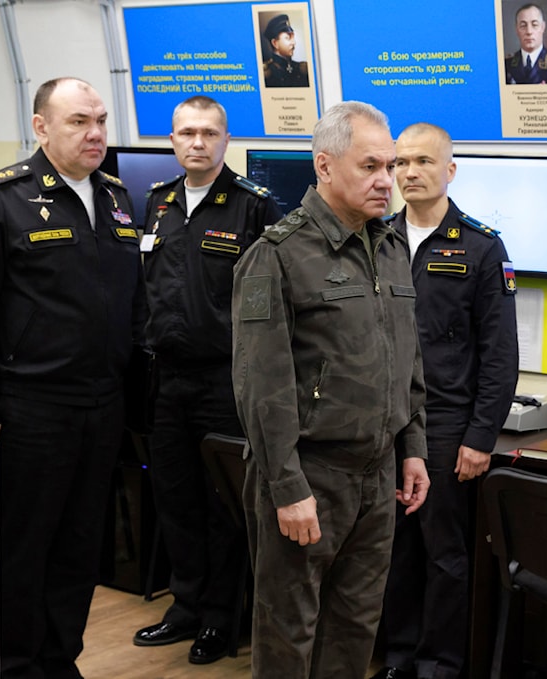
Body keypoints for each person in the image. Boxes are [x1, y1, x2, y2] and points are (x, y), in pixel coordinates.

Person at [0, 77, 146, 679]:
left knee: (80, 547)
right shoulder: (1, 197)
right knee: (24, 551)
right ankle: (18, 665)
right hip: (31, 408)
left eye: (101, 121)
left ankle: (59, 660)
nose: (96, 134)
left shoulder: (114, 197)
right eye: (80, 121)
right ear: (41, 127)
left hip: (101, 406)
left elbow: (130, 303)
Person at [232, 100, 430, 678]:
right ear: (323, 165)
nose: (386, 181)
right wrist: (287, 486)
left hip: (378, 472)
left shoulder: (391, 248)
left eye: (390, 167)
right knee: (288, 633)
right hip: (308, 475)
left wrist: (412, 446)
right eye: (371, 166)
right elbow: (258, 385)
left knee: (354, 628)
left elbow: (406, 360)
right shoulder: (276, 256)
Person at [131, 96, 282, 664]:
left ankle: (224, 619)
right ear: (172, 140)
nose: (197, 142)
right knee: (175, 498)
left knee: (225, 507)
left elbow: (273, 304)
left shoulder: (254, 208)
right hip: (166, 379)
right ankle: (186, 606)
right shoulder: (156, 204)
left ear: (226, 140)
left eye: (209, 133)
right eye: (186, 133)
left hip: (226, 382)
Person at [370, 124, 518, 679]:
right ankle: (399, 659)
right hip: (383, 425)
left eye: (423, 162)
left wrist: (480, 437)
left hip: (445, 427)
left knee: (444, 556)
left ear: (449, 170)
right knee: (393, 551)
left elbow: (500, 356)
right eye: (400, 162)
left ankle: (438, 666)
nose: (409, 173)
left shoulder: (481, 247)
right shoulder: (377, 239)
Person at [504, 3, 547, 85]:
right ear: (516, 29)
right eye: (523, 26)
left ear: (543, 27)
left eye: (534, 25)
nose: (529, 32)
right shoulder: (506, 65)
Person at [262, 13, 310, 88]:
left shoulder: (301, 69)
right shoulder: (268, 74)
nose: (294, 42)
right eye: (288, 38)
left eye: (293, 37)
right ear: (275, 43)